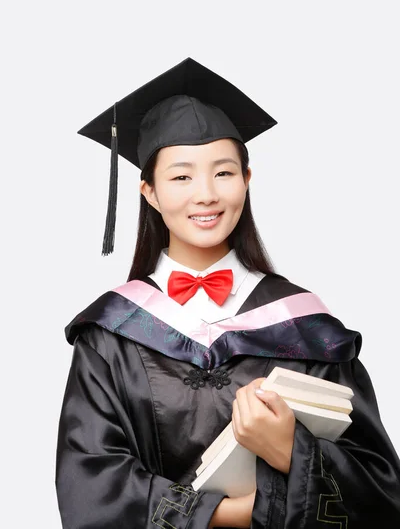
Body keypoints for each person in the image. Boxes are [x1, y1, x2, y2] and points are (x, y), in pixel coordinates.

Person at [55, 58, 400, 528]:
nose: (205, 195)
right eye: (181, 177)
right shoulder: (110, 335)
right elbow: (90, 488)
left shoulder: (305, 326)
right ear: (149, 192)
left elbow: (382, 491)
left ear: (247, 180)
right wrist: (233, 514)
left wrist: (291, 451)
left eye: (223, 173)